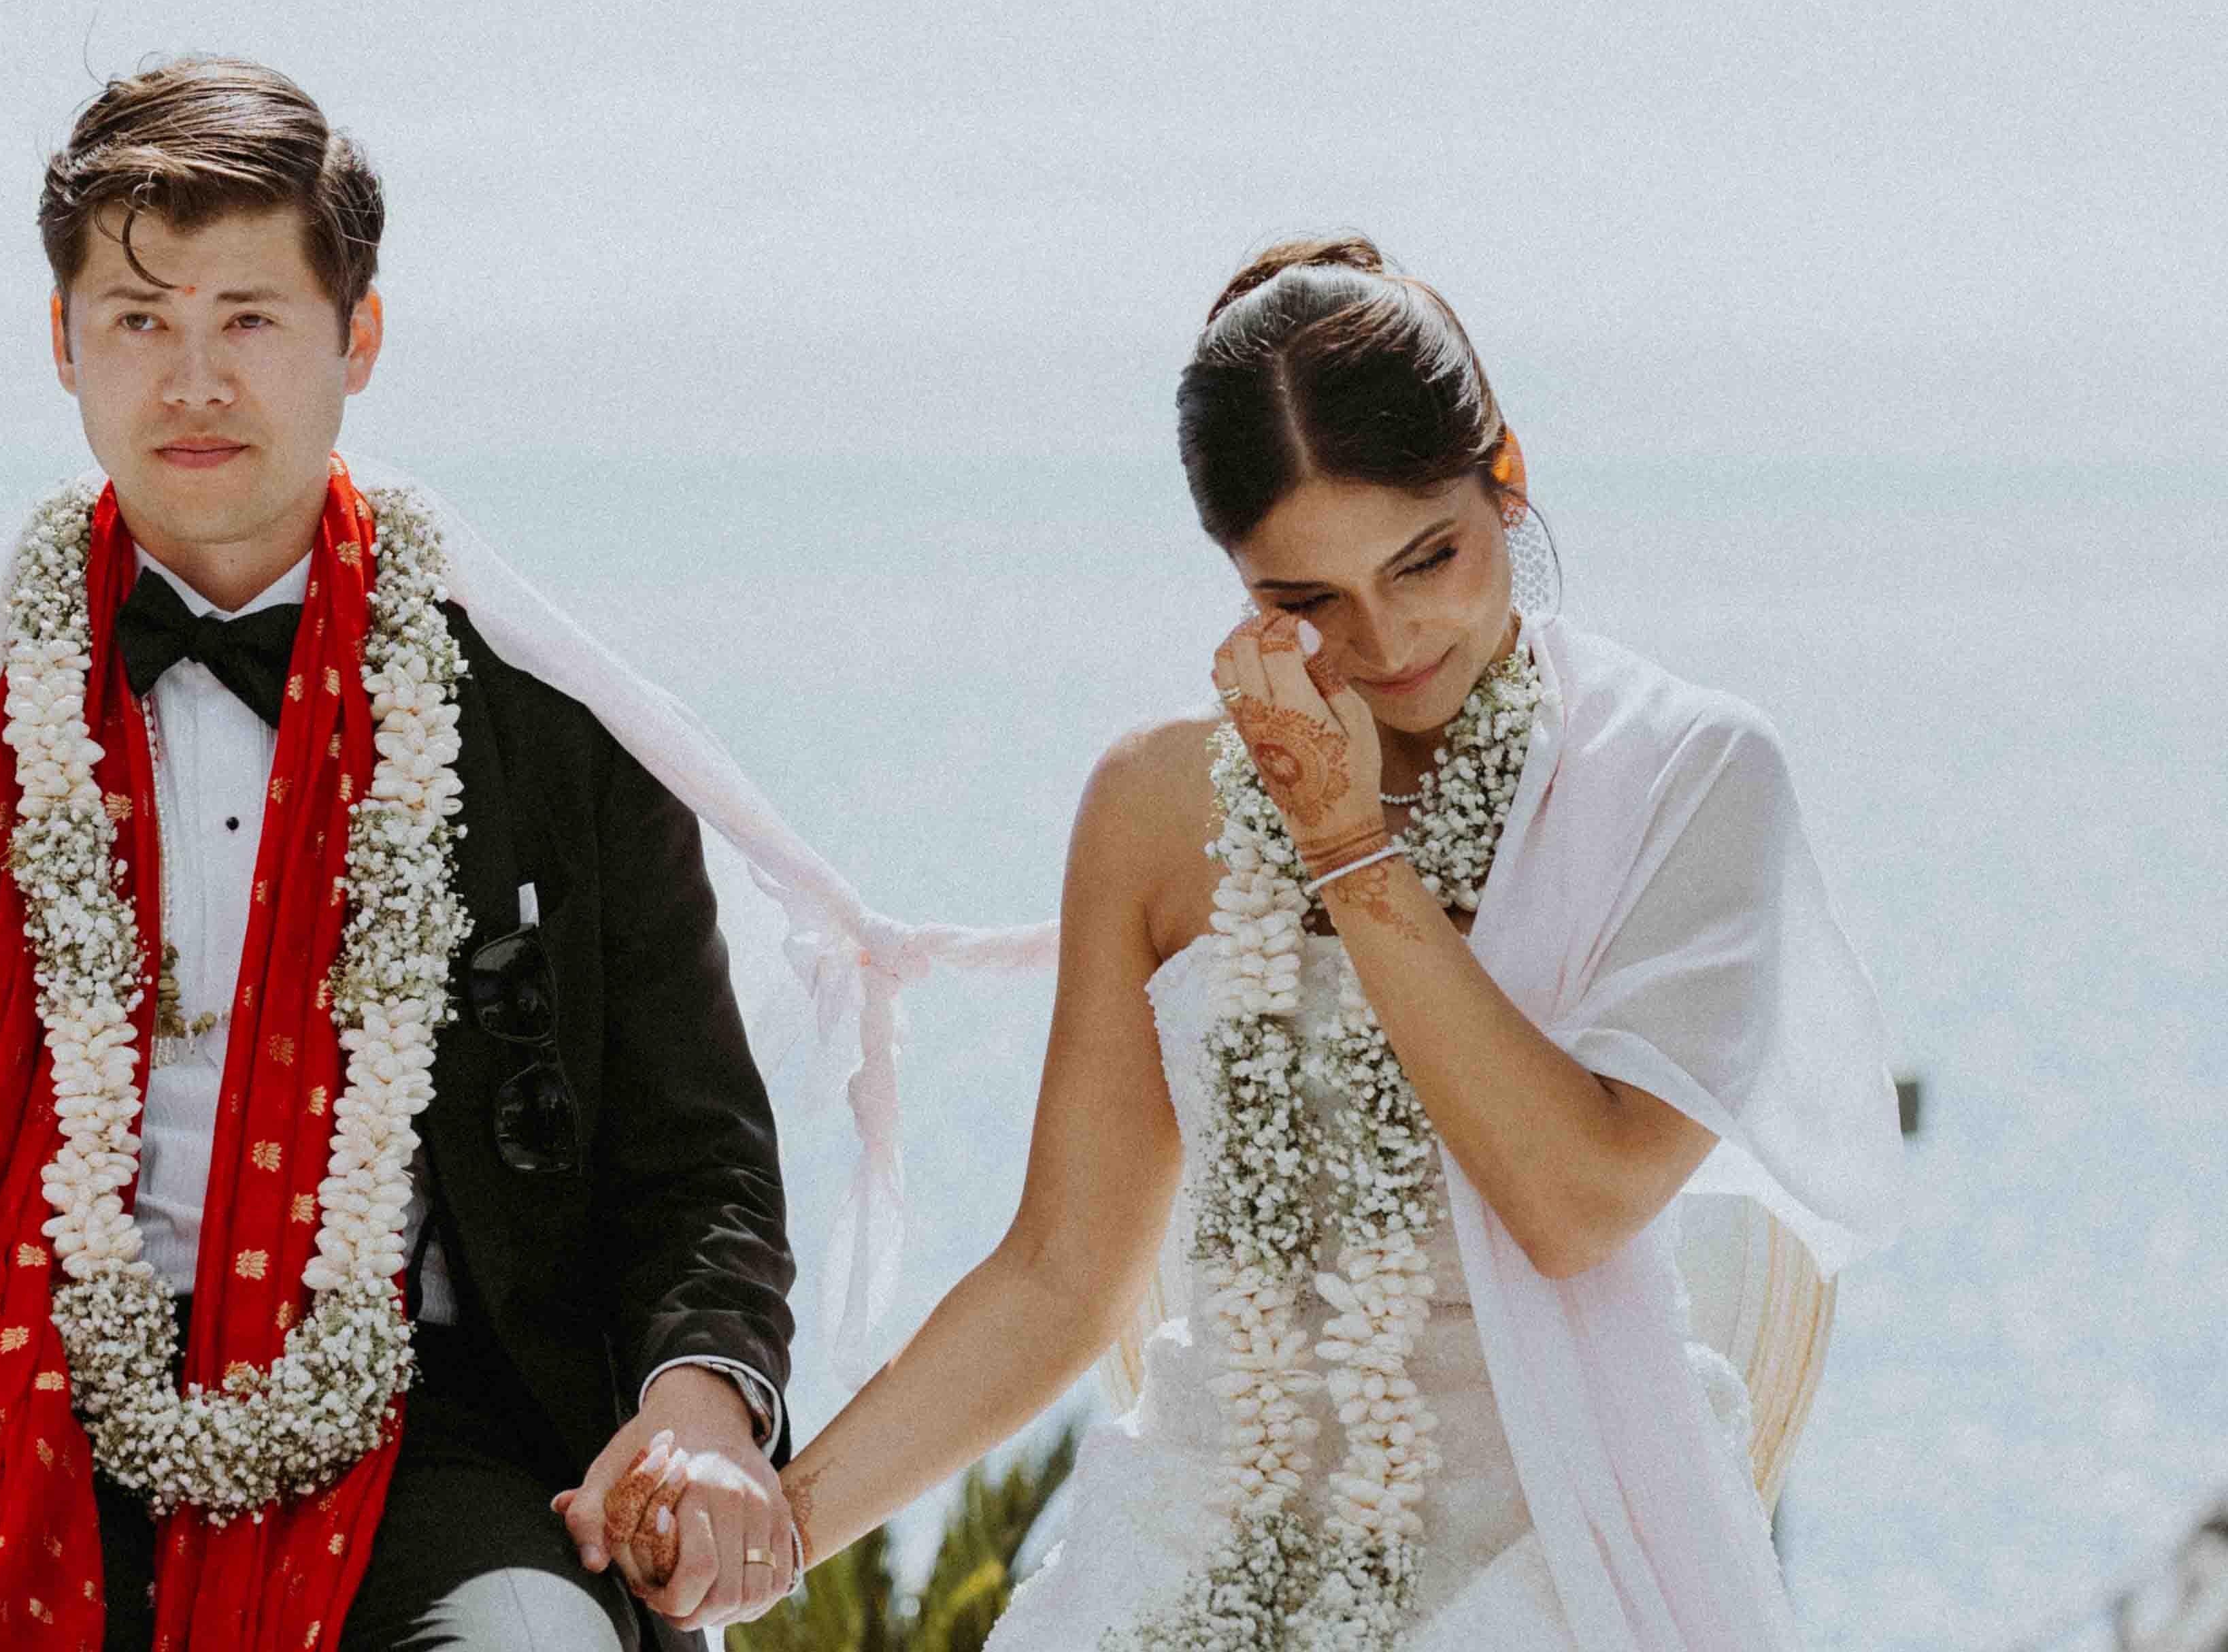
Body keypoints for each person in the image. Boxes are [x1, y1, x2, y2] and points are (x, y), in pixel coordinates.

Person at [0, 59, 818, 1652]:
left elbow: (692, 1148)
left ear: (356, 338)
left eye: (249, 317)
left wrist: (703, 1398)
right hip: (8, 1417)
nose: (194, 381)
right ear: (62, 342)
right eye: (138, 319)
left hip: (429, 1427)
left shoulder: (546, 715)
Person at [776, 237, 1908, 1651]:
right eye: (1306, 601)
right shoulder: (1158, 806)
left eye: (1427, 557)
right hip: (1204, 1534)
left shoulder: (1689, 776)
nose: (1388, 639)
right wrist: (774, 1527)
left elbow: (1575, 1203)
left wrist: (1348, 847)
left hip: (1552, 1554)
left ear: (1505, 472)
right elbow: (1063, 1273)